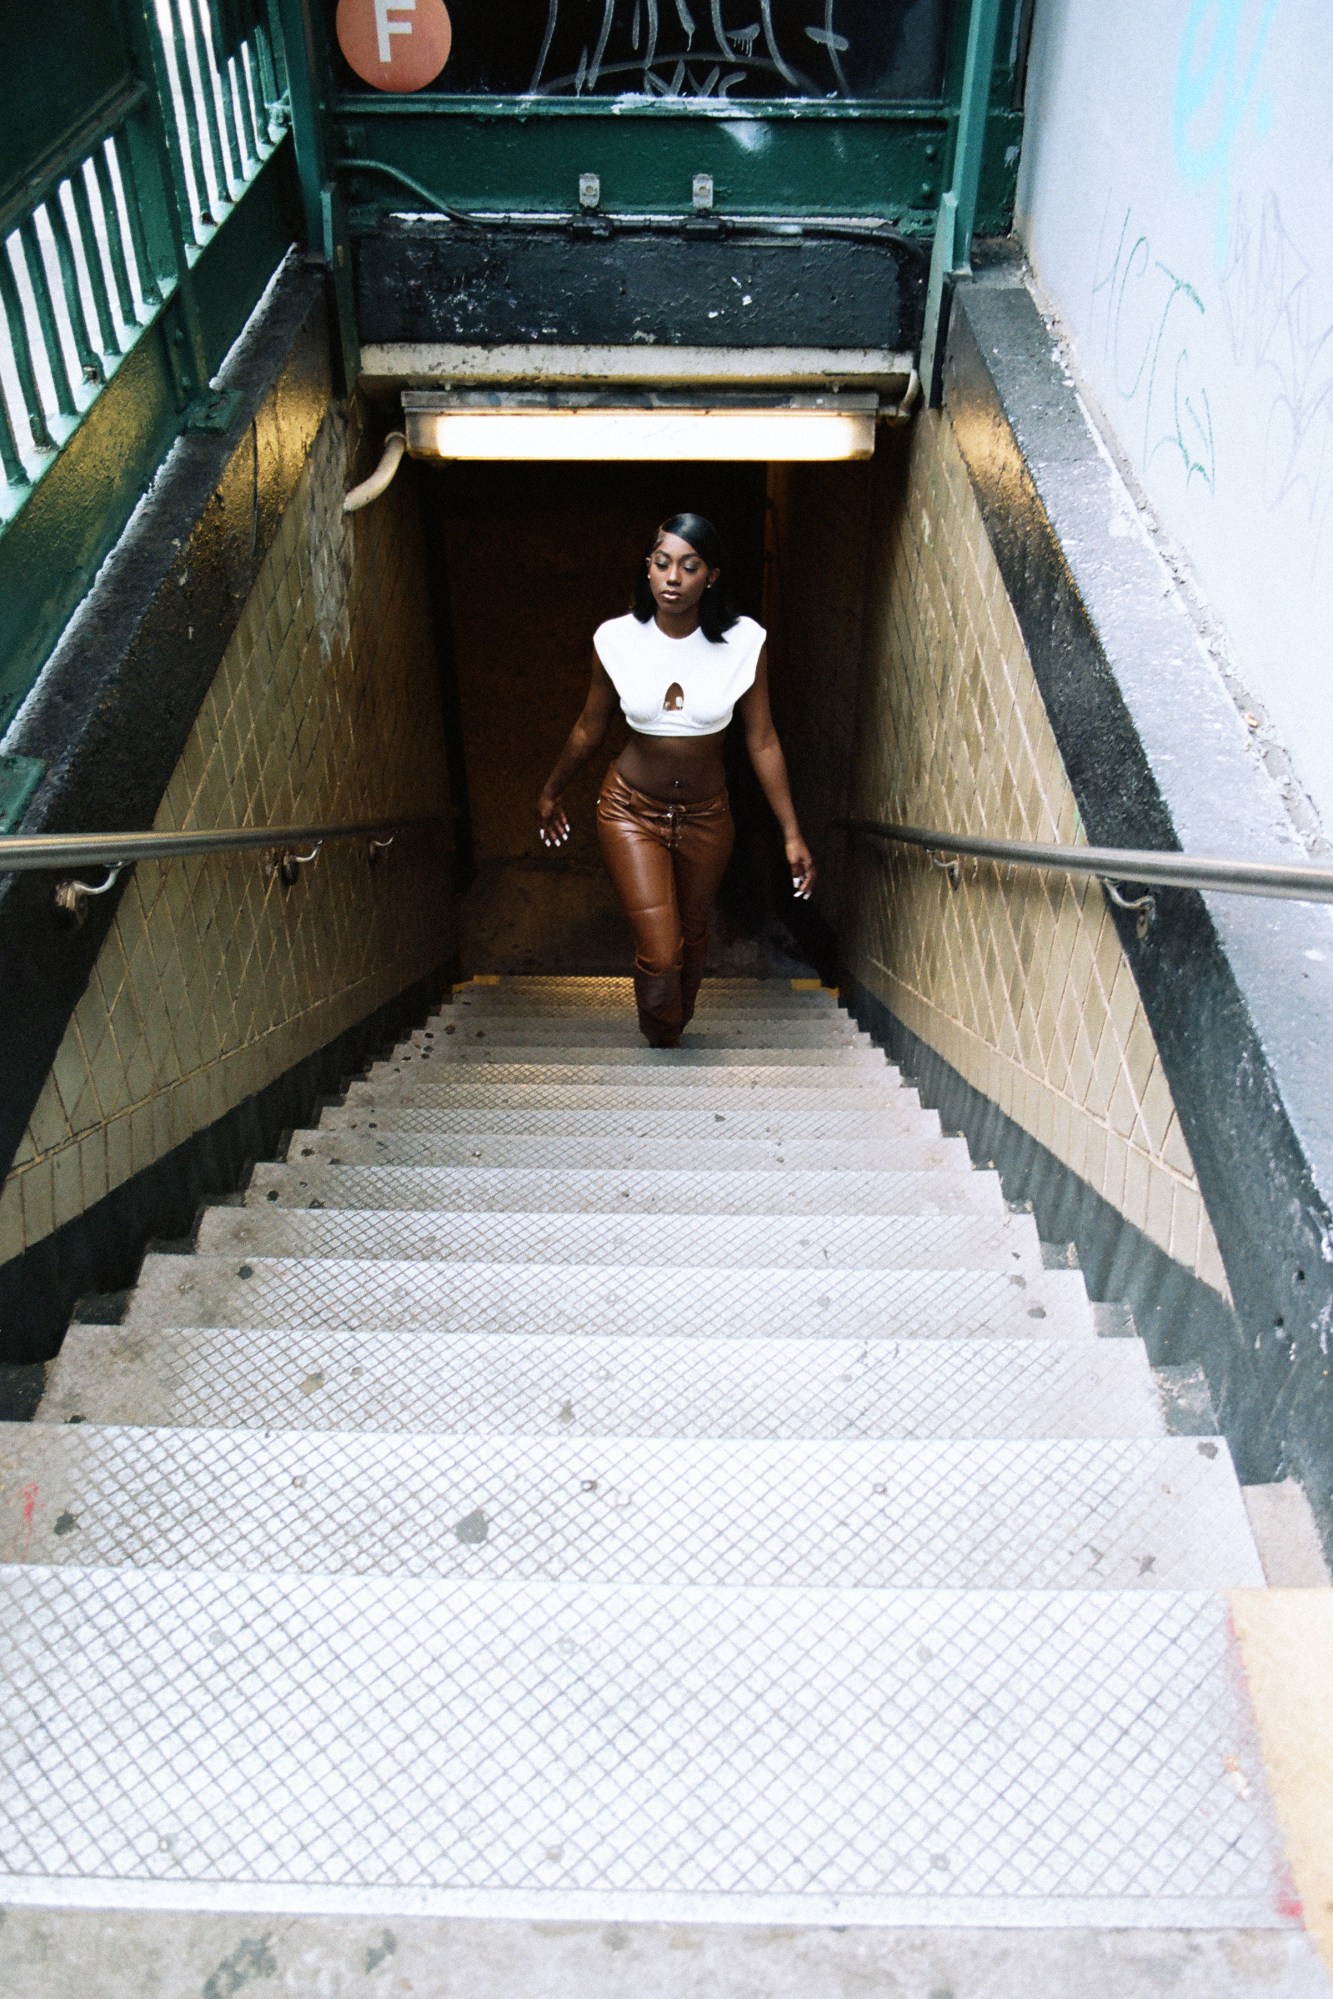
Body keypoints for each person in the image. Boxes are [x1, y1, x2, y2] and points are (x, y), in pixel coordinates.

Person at [536, 512, 816, 1048]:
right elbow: (589, 726)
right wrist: (552, 790)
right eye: (661, 563)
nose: (672, 578)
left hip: (708, 817)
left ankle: (674, 1027)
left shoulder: (743, 642)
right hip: (630, 810)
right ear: (647, 569)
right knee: (661, 951)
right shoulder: (616, 639)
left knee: (692, 938)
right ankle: (662, 1036)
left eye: (688, 567)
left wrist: (791, 833)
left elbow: (762, 739)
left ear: (710, 575)